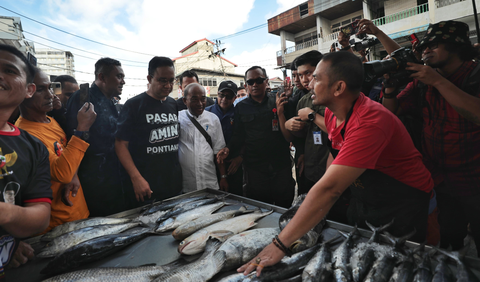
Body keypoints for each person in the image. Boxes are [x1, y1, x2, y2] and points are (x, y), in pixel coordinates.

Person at [239, 52, 434, 276]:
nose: (309, 83)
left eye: (317, 78)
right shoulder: (334, 113)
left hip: (402, 203)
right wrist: (315, 198)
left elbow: (331, 189)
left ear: (339, 88)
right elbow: (335, 155)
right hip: (367, 197)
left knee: (395, 267)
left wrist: (279, 245)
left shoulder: (370, 123)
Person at [364, 19, 480, 255]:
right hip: (439, 179)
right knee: (450, 240)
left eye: (435, 44)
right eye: (425, 45)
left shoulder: (474, 73)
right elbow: (390, 113)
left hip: (474, 179)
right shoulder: (422, 81)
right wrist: (389, 89)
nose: (426, 49)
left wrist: (438, 82)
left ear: (456, 45)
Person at [16, 68, 95, 232]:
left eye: (50, 88)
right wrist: (81, 129)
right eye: (40, 90)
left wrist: (74, 174)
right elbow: (62, 173)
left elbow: (66, 153)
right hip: (57, 225)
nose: (50, 95)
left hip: (77, 211)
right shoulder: (26, 134)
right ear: (23, 93)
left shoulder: (50, 120)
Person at [0, 44, 52, 271]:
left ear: (28, 89)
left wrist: (8, 239)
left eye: (9, 70)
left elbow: (40, 216)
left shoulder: (33, 147)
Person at [217, 66, 295, 208]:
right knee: (260, 208)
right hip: (255, 169)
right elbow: (238, 135)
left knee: (284, 205)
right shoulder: (241, 107)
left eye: (259, 80)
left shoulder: (278, 101)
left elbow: (290, 130)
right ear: (246, 85)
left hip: (280, 165)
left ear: (266, 82)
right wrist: (228, 148)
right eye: (250, 82)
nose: (255, 85)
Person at [116, 56, 182, 207]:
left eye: (171, 80)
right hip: (145, 186)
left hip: (173, 185)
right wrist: (136, 178)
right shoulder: (133, 105)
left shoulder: (173, 104)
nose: (168, 85)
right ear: (150, 78)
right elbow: (120, 144)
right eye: (162, 80)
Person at [66, 57, 128, 217]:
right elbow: (70, 138)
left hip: (113, 178)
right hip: (91, 181)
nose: (123, 82)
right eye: (119, 76)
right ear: (102, 77)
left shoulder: (111, 102)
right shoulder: (83, 98)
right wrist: (73, 175)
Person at [178, 83, 227, 192]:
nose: (200, 103)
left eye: (203, 99)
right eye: (194, 99)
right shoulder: (178, 118)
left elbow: (219, 152)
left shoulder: (213, 119)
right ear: (185, 101)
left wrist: (223, 177)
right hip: (186, 185)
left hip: (209, 181)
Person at [206, 80, 243, 196]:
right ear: (217, 94)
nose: (224, 99)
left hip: (233, 164)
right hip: (211, 164)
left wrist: (240, 157)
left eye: (229, 96)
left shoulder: (239, 113)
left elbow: (244, 137)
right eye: (221, 95)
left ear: (234, 98)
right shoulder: (207, 113)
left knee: (235, 196)